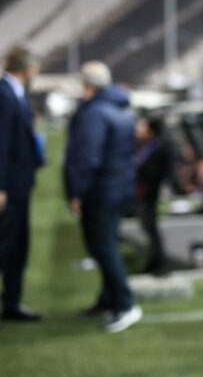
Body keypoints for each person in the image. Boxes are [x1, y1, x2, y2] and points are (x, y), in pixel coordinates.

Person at [65, 61, 142, 333]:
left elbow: (87, 158)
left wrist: (77, 191)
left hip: (102, 190)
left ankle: (125, 304)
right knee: (106, 244)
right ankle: (108, 299)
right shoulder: (122, 108)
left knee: (103, 247)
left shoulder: (96, 113)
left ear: (88, 85)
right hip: (119, 187)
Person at [0, 46, 44, 322]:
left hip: (20, 183)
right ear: (27, 67)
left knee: (17, 245)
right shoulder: (4, 94)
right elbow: (1, 143)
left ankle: (12, 303)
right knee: (5, 245)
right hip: (10, 187)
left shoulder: (15, 93)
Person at [135, 116, 170, 276]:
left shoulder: (158, 148)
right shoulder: (146, 147)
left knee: (151, 228)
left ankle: (160, 263)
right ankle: (154, 261)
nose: (138, 130)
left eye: (142, 127)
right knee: (148, 227)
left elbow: (154, 173)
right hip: (143, 194)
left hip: (150, 194)